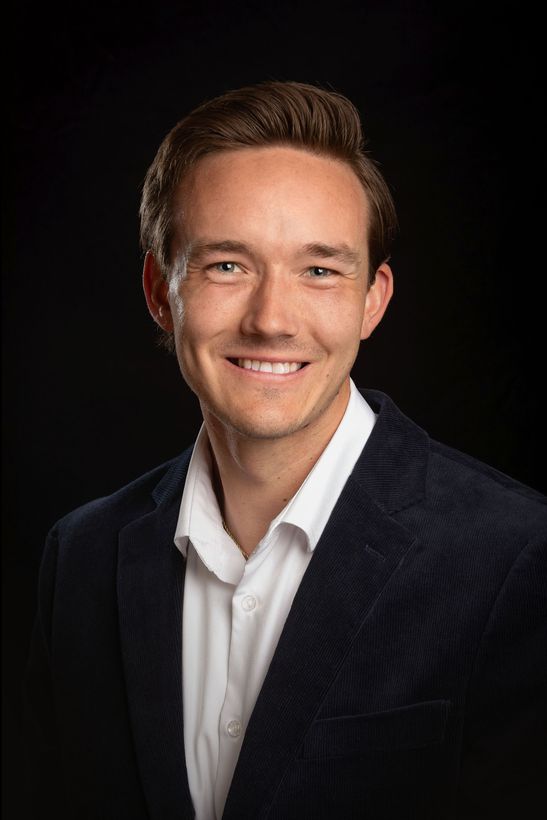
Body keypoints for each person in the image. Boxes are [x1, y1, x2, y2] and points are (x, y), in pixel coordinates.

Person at [23, 81, 546, 820]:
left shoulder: (517, 557)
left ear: (373, 299)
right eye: (227, 265)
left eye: (320, 270)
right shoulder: (80, 557)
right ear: (159, 292)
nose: (272, 319)